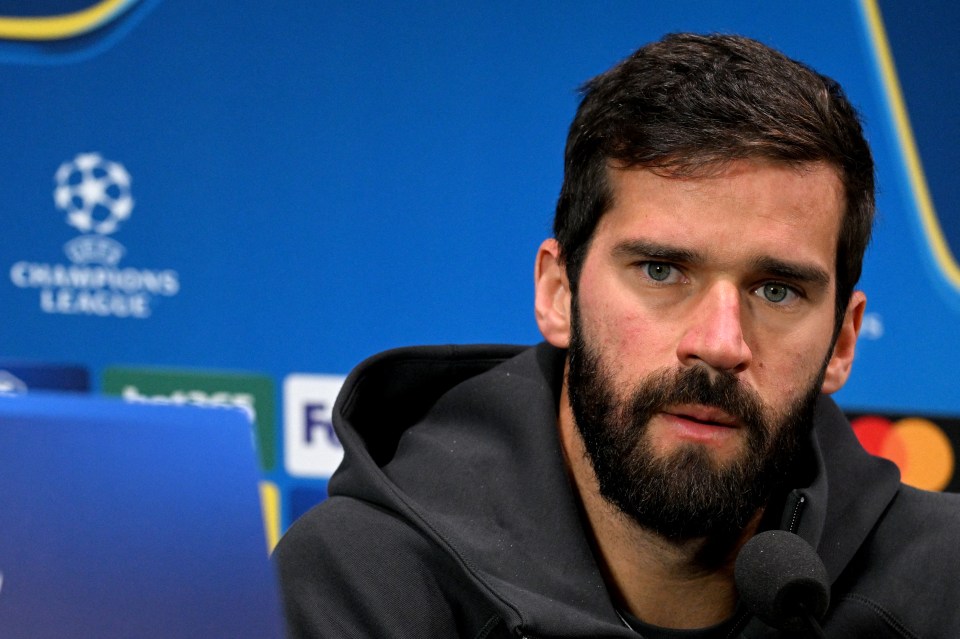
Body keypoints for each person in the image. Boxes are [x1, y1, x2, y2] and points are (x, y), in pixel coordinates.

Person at [274, 33, 960, 638]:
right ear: (558, 293)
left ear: (843, 340)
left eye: (776, 290)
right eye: (662, 270)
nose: (721, 342)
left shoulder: (944, 589)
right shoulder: (363, 581)